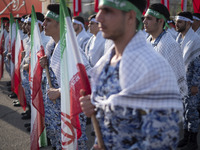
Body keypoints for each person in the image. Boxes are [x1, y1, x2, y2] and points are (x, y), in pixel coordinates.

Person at [80, 0, 183, 149]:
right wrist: (97, 106)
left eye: (108, 11)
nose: (99, 18)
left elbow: (161, 142)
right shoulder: (106, 62)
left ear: (130, 17)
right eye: (100, 10)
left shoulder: (153, 67)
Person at [40, 4, 90, 150]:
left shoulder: (70, 48)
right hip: (55, 115)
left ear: (60, 22)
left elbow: (84, 78)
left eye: (48, 20)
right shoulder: (52, 45)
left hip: (68, 112)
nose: (44, 24)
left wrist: (60, 91)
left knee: (74, 145)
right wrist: (46, 62)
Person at [143, 3, 188, 99]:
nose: (144, 21)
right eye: (145, 18)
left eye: (149, 18)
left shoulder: (171, 46)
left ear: (160, 21)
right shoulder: (146, 42)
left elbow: (179, 84)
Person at [175, 11, 200, 150]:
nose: (177, 24)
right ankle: (186, 138)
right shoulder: (179, 37)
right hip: (182, 83)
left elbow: (197, 65)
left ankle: (193, 142)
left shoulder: (195, 40)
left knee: (192, 113)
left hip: (192, 84)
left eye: (180, 22)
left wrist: (195, 85)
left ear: (188, 23)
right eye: (177, 21)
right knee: (185, 111)